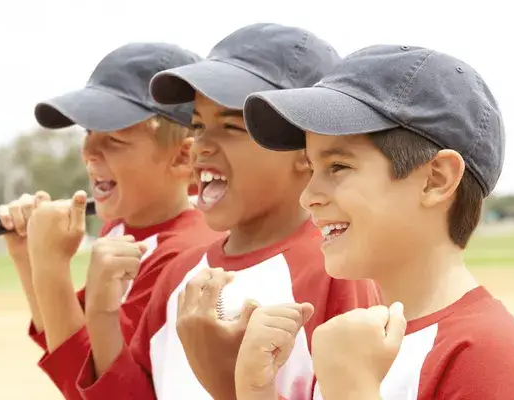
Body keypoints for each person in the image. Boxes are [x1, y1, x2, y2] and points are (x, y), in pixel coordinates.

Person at [74, 23, 382, 400]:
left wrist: (226, 379)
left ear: (305, 150)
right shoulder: (180, 275)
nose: (201, 145)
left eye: (233, 126)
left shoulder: (336, 273)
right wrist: (102, 317)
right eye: (199, 125)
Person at [235, 44, 514, 399]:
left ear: (436, 179)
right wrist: (256, 390)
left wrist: (352, 389)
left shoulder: (487, 354)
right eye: (311, 168)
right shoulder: (358, 341)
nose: (308, 195)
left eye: (338, 167)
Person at [0, 42, 224, 400]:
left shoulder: (184, 255)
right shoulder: (123, 227)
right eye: (88, 133)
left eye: (115, 140)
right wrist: (29, 258)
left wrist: (50, 270)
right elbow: (72, 344)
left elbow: (84, 383)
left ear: (183, 158)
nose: (88, 152)